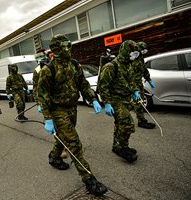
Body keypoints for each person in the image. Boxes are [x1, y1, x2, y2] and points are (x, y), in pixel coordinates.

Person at [37, 34, 107, 196]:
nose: (67, 50)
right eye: (63, 47)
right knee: (74, 143)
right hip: (57, 111)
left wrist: (93, 99)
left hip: (72, 108)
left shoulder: (75, 65)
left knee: (64, 137)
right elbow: (42, 95)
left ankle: (54, 156)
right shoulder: (48, 70)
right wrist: (47, 118)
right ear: (56, 50)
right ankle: (89, 180)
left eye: (69, 46)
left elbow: (83, 83)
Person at [97, 40, 141, 163]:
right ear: (126, 51)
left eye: (136, 54)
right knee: (127, 124)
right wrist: (106, 103)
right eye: (132, 54)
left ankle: (117, 146)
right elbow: (103, 86)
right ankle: (122, 147)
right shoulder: (111, 66)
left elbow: (131, 81)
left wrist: (135, 90)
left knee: (119, 124)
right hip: (115, 100)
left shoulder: (128, 65)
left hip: (126, 99)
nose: (134, 57)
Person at [131, 41, 156, 129]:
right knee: (138, 102)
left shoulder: (140, 58)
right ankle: (141, 121)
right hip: (133, 84)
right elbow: (129, 76)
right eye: (143, 50)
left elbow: (144, 70)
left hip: (139, 83)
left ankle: (140, 119)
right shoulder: (132, 60)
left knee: (139, 101)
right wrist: (134, 89)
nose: (144, 52)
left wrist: (149, 80)